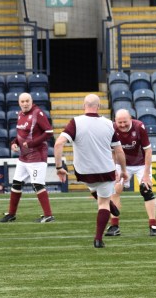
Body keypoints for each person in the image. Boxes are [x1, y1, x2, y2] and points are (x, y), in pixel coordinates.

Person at [53, 94, 127, 248]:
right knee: (103, 204)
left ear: (83, 106)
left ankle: (103, 198)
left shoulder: (75, 122)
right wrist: (124, 170)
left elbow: (58, 144)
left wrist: (59, 167)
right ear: (99, 106)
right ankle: (98, 239)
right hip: (106, 170)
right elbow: (119, 150)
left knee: (94, 187)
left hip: (84, 172)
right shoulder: (109, 124)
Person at [0, 92, 56, 223]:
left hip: (37, 156)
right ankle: (11, 214)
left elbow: (49, 132)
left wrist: (32, 143)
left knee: (37, 185)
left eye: (27, 101)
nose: (25, 104)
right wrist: (14, 143)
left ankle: (48, 215)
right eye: (22, 101)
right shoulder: (20, 114)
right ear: (19, 103)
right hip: (24, 156)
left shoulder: (37, 113)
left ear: (31, 101)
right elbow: (21, 135)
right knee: (16, 183)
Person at [108, 109, 156, 237]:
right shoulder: (112, 128)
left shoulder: (139, 127)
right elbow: (113, 152)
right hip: (121, 163)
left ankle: (153, 225)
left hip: (141, 163)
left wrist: (146, 175)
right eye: (119, 122)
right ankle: (114, 226)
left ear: (131, 119)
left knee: (146, 190)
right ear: (115, 121)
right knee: (115, 190)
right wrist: (113, 170)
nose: (122, 125)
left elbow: (148, 151)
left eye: (125, 122)